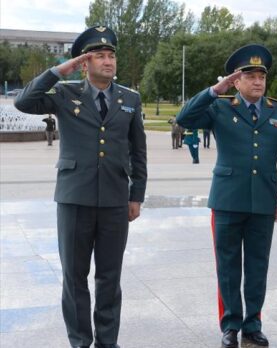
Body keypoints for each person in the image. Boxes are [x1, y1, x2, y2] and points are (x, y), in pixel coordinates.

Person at [14, 26, 147, 348]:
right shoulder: (64, 93)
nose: (107, 60)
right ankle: (79, 341)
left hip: (115, 199)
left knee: (109, 278)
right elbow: (23, 101)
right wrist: (59, 70)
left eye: (111, 55)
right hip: (75, 198)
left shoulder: (130, 98)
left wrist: (136, 196)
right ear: (84, 63)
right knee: (75, 278)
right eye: (99, 55)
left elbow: (138, 151)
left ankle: (107, 342)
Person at [176, 44, 277, 348]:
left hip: (263, 202)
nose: (257, 82)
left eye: (261, 77)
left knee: (257, 265)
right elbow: (185, 118)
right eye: (250, 76)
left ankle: (252, 324)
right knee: (228, 266)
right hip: (228, 201)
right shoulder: (220, 107)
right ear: (237, 81)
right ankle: (230, 324)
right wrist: (215, 90)